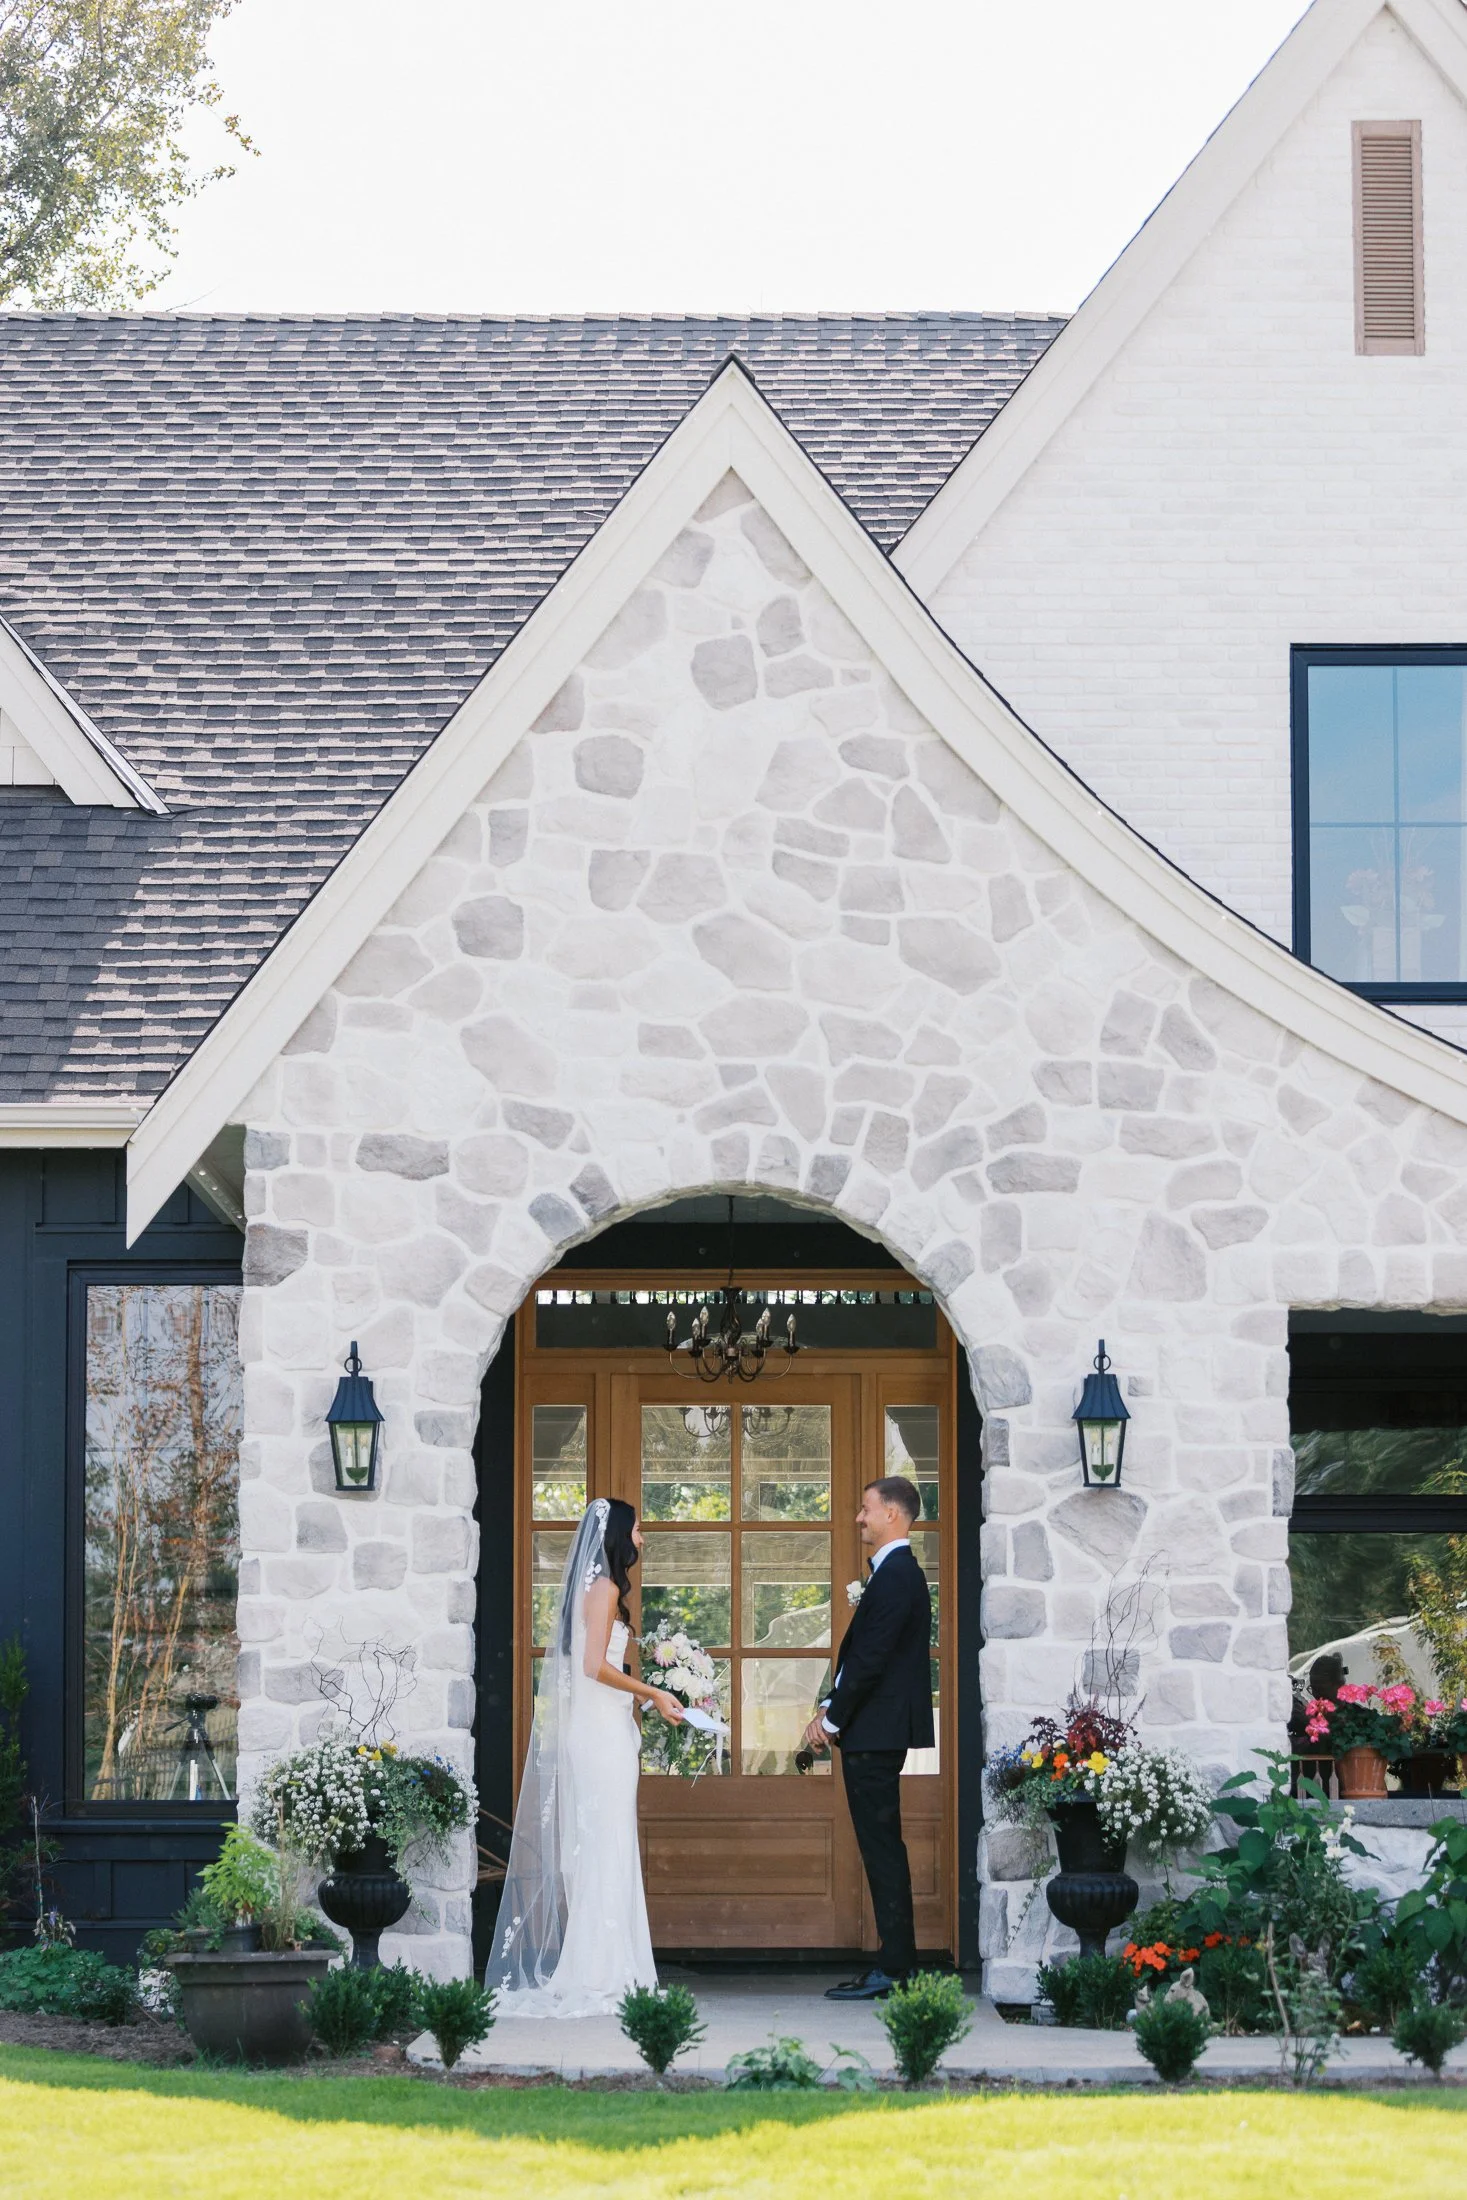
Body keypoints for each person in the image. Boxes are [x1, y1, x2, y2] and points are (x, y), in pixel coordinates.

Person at [485, 1496, 685, 2016]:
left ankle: (608, 1963)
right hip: (598, 1734)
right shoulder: (604, 1588)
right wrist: (653, 1693)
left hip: (603, 1728)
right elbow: (594, 1667)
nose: (642, 1537)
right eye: (638, 1529)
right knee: (604, 1844)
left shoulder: (602, 1589)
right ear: (619, 1535)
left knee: (606, 1843)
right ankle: (600, 1970)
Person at [802, 1475, 933, 2001]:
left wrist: (832, 1723)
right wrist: (831, 1708)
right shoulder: (892, 1574)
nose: (859, 1518)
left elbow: (873, 1658)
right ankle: (896, 1964)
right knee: (881, 1847)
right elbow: (865, 1657)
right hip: (871, 1730)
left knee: (882, 1849)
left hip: (875, 1734)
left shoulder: (898, 1574)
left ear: (892, 1517)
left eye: (865, 1509)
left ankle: (897, 1969)